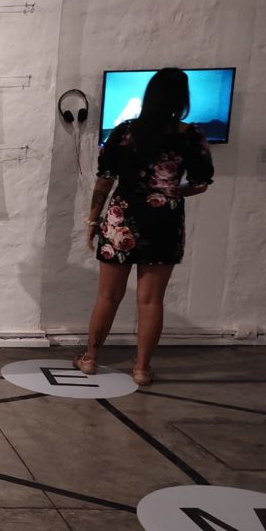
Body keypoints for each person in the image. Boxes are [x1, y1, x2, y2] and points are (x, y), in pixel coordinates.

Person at [75, 68, 213, 385]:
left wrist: (93, 220)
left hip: (121, 219)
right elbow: (201, 183)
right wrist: (170, 192)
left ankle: (90, 359)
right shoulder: (191, 135)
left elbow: (104, 179)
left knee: (107, 296)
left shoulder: (124, 132)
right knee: (151, 301)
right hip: (164, 222)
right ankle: (141, 369)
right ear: (182, 99)